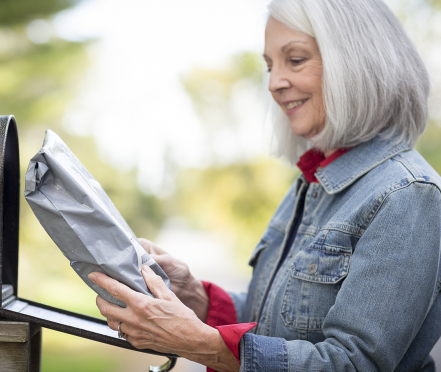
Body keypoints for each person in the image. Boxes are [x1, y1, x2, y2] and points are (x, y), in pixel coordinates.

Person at [88, 0, 441, 370]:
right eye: (270, 65)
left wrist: (201, 345)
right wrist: (194, 297)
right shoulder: (312, 182)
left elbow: (352, 364)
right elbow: (279, 321)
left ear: (358, 62)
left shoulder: (406, 194)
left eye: (296, 59)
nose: (274, 83)